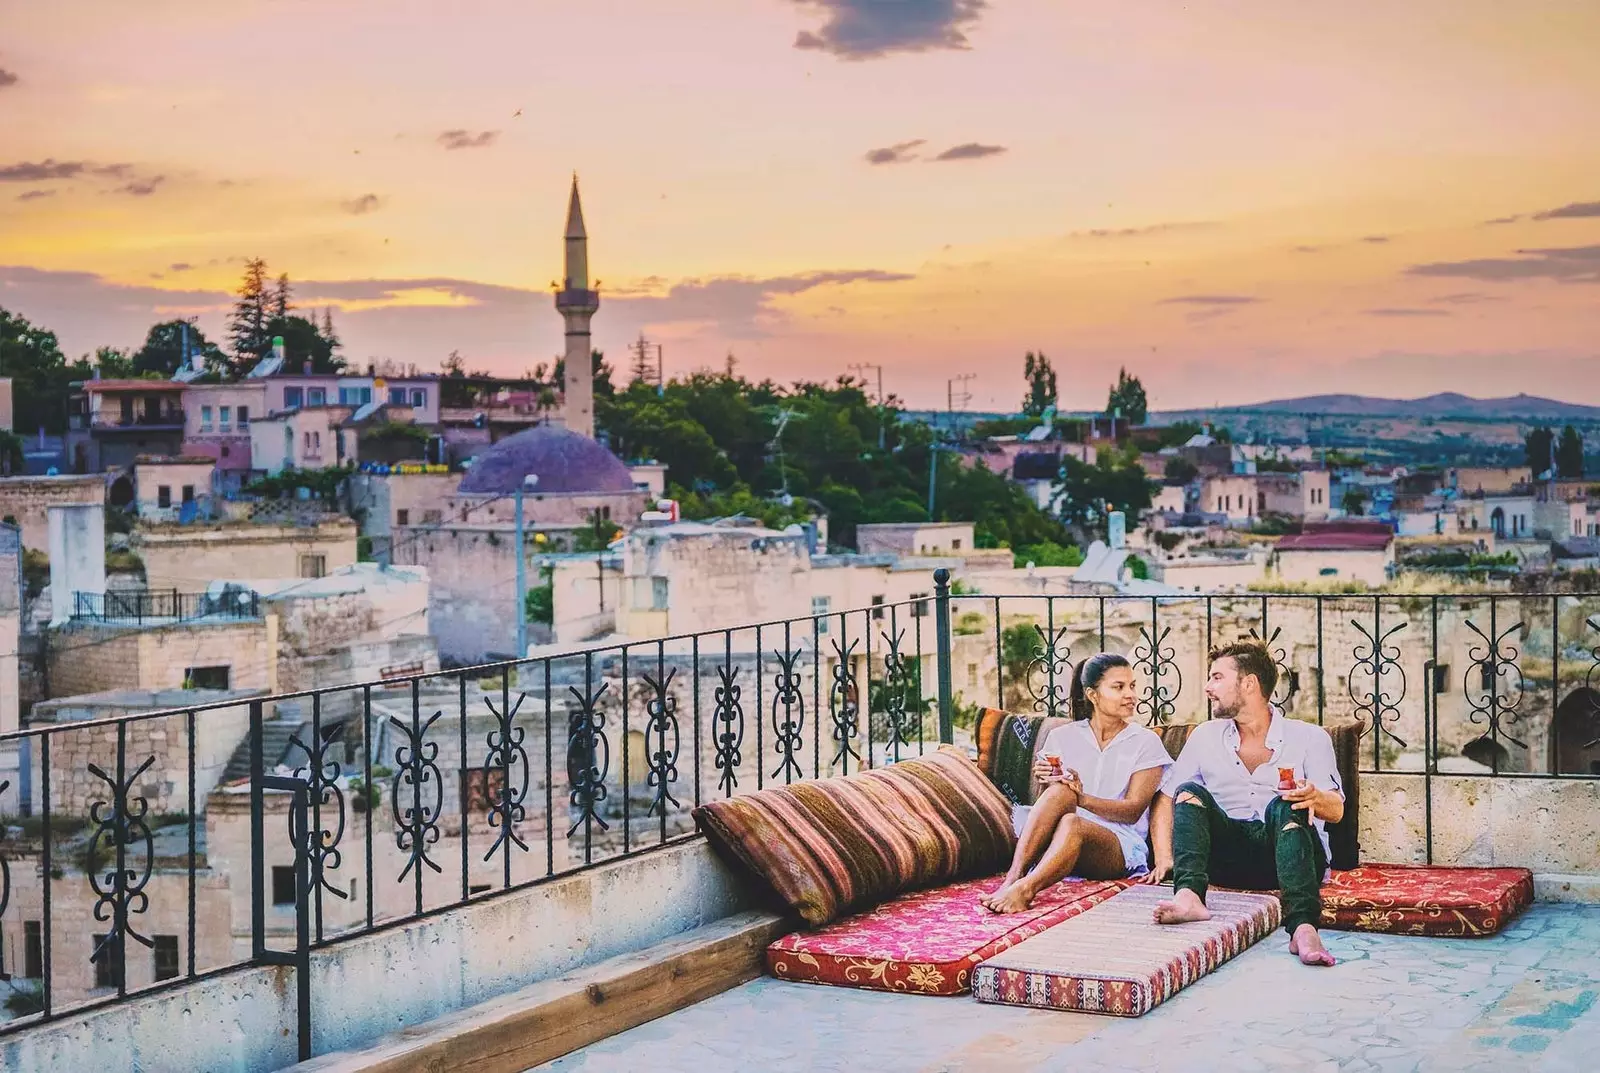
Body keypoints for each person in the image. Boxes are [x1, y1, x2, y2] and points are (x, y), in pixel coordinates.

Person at [1143, 639, 1343, 967]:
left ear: (1248, 683)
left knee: (1285, 804)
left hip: (1288, 857)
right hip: (1226, 860)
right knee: (1189, 790)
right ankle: (1190, 896)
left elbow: (1336, 810)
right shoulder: (1205, 735)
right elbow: (1168, 799)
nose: (1208, 687)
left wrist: (1314, 797)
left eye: (1217, 677)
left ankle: (1304, 927)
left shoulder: (1310, 738)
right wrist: (1165, 857)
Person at [981, 652, 1173, 914]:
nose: (1130, 695)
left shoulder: (1145, 742)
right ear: (1093, 695)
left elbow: (1133, 811)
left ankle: (1026, 890)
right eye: (1118, 687)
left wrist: (1081, 798)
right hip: (1059, 838)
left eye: (1132, 686)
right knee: (1061, 795)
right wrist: (1045, 781)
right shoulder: (1062, 737)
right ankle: (1013, 879)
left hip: (1117, 844)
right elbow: (1047, 806)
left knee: (1073, 821)